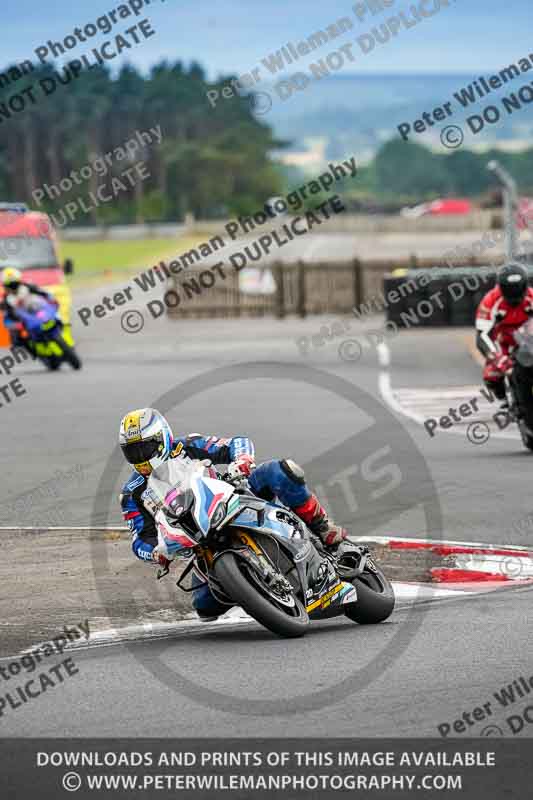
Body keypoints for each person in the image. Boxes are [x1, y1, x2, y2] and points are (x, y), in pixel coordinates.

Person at [119, 408, 347, 620]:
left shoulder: (187, 446)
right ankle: (256, 591)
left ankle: (322, 527)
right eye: (132, 452)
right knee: (204, 608)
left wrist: (242, 460)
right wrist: (156, 552)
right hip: (199, 545)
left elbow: (236, 443)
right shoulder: (132, 493)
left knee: (279, 471)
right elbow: (141, 539)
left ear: (162, 438)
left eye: (144, 448)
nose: (139, 456)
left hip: (234, 500)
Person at [475, 263, 533, 404]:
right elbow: (482, 336)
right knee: (492, 376)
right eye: (509, 289)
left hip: (527, 338)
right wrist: (498, 359)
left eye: (518, 289)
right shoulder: (490, 300)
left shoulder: (531, 297)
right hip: (502, 340)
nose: (515, 293)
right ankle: (505, 399)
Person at [0, 267, 58, 351]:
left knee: (52, 311)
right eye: (10, 285)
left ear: (19, 281)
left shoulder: (28, 286)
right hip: (22, 318)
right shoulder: (6, 299)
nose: (13, 287)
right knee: (16, 334)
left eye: (15, 283)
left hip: (36, 309)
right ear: (5, 285)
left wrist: (51, 299)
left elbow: (43, 293)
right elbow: (7, 319)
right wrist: (15, 324)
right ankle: (22, 343)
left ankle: (56, 326)